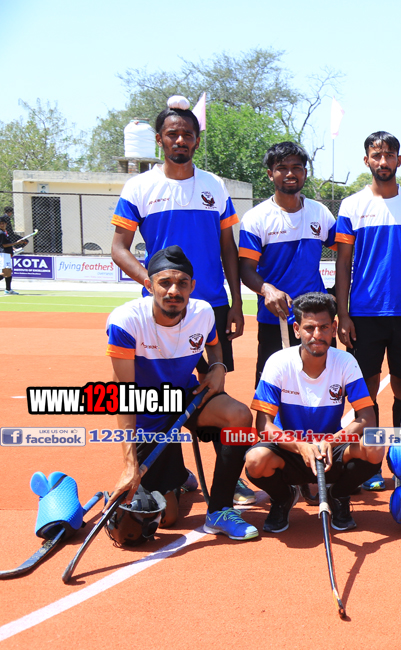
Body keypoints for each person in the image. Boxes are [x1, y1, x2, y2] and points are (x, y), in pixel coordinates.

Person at [110, 96, 254, 503]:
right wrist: (153, 283)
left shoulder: (213, 186)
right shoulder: (139, 187)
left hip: (212, 307)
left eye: (187, 134)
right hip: (164, 311)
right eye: (172, 134)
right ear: (159, 139)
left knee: (215, 389)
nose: (180, 140)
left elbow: (228, 248)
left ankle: (228, 476)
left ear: (196, 140)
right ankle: (168, 468)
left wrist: (237, 302)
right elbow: (119, 248)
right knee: (159, 391)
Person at [106, 246, 258, 542]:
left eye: (182, 283)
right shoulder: (125, 322)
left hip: (186, 394)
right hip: (147, 408)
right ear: (149, 285)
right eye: (164, 283)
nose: (173, 291)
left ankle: (220, 510)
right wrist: (130, 466)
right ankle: (178, 478)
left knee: (239, 416)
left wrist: (218, 366)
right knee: (167, 518)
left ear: (192, 286)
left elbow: (214, 345)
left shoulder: (203, 312)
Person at [245, 292, 385, 532]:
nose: (317, 335)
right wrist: (300, 446)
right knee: (255, 460)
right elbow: (264, 426)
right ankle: (283, 498)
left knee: (375, 444)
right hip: (290, 450)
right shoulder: (278, 362)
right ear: (297, 330)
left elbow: (367, 417)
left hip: (331, 450)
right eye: (309, 328)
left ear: (334, 328)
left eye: (324, 327)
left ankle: (338, 495)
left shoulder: (345, 362)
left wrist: (331, 441)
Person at [336, 131, 401, 431]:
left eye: (389, 155)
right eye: (377, 155)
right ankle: (370, 456)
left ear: (399, 160)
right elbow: (342, 263)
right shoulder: (351, 206)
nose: (383, 161)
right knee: (366, 390)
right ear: (366, 160)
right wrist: (343, 314)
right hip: (363, 313)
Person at [239, 142, 336, 383]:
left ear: (305, 172)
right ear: (270, 174)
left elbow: (345, 252)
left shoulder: (320, 212)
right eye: (282, 168)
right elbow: (246, 269)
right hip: (275, 318)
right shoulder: (255, 218)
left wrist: (337, 296)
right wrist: (267, 290)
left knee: (324, 386)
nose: (290, 173)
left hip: (317, 321)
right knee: (272, 388)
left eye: (297, 167)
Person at [0, 210, 26, 295]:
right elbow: (4, 245)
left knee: (9, 272)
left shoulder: (5, 232)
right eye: (0, 224)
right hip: (4, 254)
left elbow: (7, 243)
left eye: (3, 223)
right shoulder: (1, 233)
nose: (2, 225)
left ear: (6, 224)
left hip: (7, 253)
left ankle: (8, 290)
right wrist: (17, 243)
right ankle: (8, 289)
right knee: (5, 273)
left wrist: (13, 248)